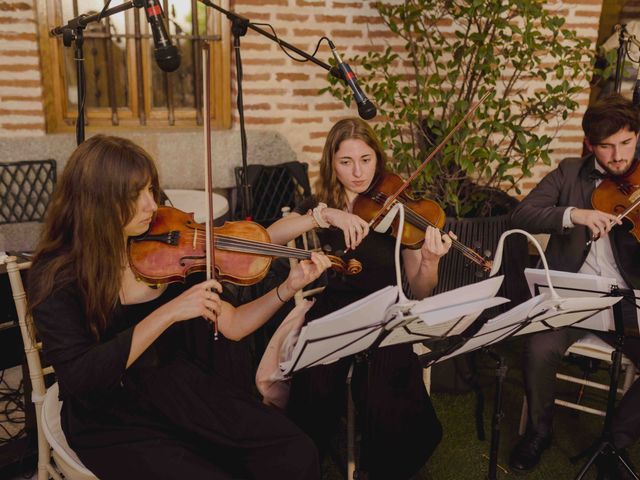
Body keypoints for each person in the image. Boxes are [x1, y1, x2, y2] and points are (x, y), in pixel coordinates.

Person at [27, 134, 332, 480]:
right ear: (95, 202)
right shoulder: (57, 275)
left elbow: (231, 323)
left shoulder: (166, 247)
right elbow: (83, 378)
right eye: (134, 196)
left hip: (179, 391)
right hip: (112, 418)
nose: (151, 206)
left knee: (294, 452)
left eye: (150, 191)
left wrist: (286, 287)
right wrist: (168, 313)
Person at [266, 118, 454, 479]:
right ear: (331, 164)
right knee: (315, 381)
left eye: (366, 160)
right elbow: (269, 237)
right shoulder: (323, 205)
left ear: (377, 159)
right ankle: (304, 459)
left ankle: (385, 468)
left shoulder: (398, 207)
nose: (357, 172)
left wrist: (429, 261)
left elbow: (420, 288)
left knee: (385, 384)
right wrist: (323, 215)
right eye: (346, 162)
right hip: (334, 310)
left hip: (385, 310)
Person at [509, 93, 640, 478]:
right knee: (537, 346)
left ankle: (614, 441)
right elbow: (523, 213)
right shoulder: (568, 172)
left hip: (630, 302)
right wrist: (573, 214)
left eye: (627, 143)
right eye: (606, 147)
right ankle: (539, 432)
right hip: (573, 299)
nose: (618, 157)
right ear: (589, 145)